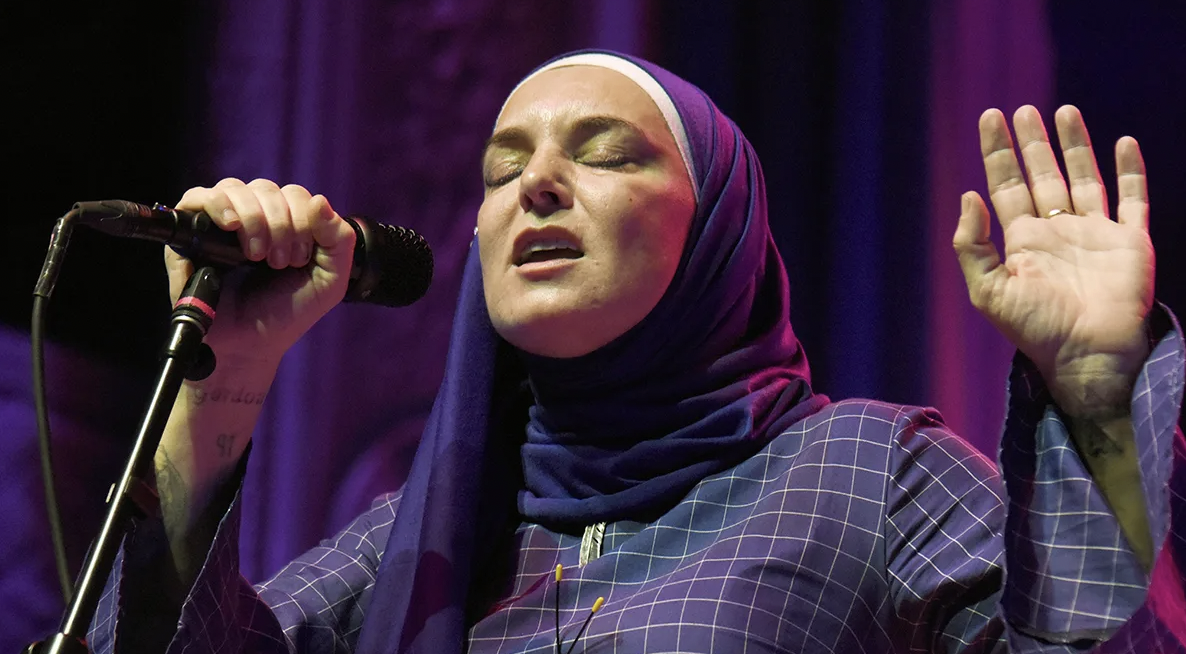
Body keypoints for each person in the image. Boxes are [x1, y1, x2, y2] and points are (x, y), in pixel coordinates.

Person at [89, 51, 1185, 653]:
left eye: (606, 154)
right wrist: (226, 370)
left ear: (717, 231)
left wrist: (1091, 386)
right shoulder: (423, 535)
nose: (537, 184)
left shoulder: (866, 473)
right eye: (502, 168)